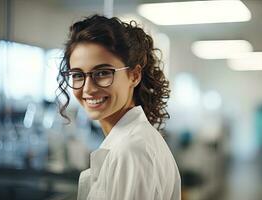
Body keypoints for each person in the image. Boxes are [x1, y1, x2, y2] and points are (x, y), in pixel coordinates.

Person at [56, 14, 181, 200]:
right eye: (78, 75)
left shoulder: (131, 151)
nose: (88, 89)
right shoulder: (131, 141)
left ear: (134, 75)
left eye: (103, 73)